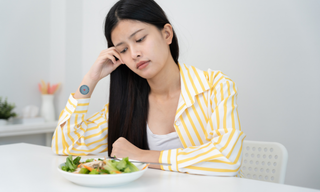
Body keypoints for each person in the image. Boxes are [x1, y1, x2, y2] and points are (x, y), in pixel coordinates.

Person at [52, 0, 246, 177]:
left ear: (167, 34)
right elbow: (66, 145)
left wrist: (143, 156)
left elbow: (227, 159)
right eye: (123, 50)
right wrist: (90, 79)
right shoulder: (125, 105)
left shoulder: (214, 86)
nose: (135, 54)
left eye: (140, 39)